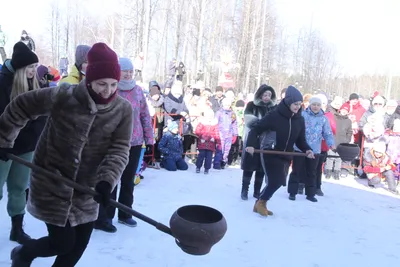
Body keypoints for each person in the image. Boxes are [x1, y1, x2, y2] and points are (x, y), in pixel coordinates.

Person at [0, 42, 133, 267]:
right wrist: (4, 138)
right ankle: (24, 254)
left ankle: (24, 253)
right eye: (101, 84)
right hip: (52, 181)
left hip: (88, 189)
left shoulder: (122, 110)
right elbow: (22, 106)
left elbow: (119, 149)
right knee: (62, 243)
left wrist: (106, 181)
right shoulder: (65, 95)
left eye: (113, 84)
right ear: (88, 79)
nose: (107, 90)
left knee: (77, 248)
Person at [95, 57, 153, 232]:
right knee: (111, 179)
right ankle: (105, 217)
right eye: (124, 70)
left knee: (128, 181)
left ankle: (125, 213)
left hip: (135, 142)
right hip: (114, 142)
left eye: (130, 71)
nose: (128, 74)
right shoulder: (111, 90)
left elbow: (145, 116)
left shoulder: (138, 91)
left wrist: (149, 141)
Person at [0, 42, 44, 245]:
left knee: (18, 188)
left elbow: (42, 117)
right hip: (3, 148)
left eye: (35, 67)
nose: (33, 71)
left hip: (26, 147)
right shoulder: (3, 84)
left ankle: (17, 229)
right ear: (20, 69)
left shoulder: (36, 86)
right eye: (30, 68)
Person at [246, 86, 314, 216]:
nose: (297, 107)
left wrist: (308, 150)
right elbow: (256, 130)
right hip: (270, 152)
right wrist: (250, 145)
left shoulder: (299, 120)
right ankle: (261, 202)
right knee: (275, 181)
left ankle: (260, 203)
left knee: (280, 181)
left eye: (300, 104)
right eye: (295, 104)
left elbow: (301, 140)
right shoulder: (274, 115)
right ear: (288, 102)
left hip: (286, 154)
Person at [240, 85, 276, 200]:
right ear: (260, 95)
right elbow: (249, 120)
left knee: (261, 167)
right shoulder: (252, 105)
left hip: (266, 140)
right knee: (249, 165)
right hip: (253, 138)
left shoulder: (273, 108)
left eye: (269, 95)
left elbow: (276, 122)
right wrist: (263, 124)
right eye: (265, 95)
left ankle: (257, 191)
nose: (267, 97)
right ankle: (244, 189)